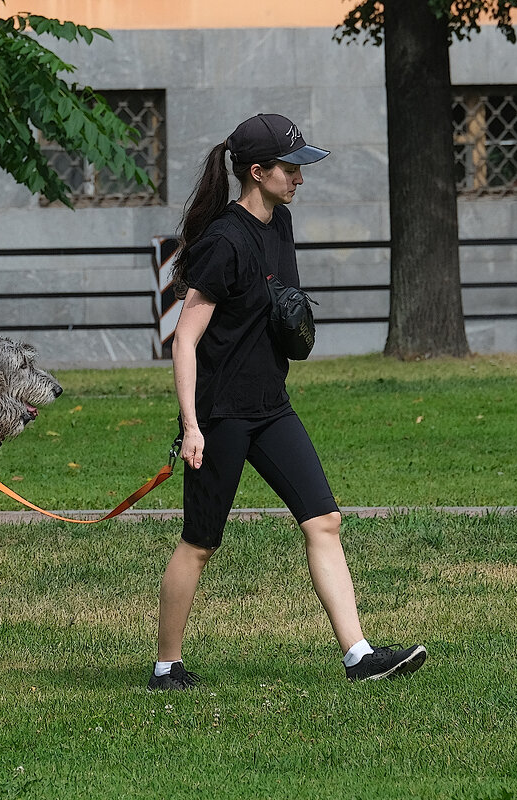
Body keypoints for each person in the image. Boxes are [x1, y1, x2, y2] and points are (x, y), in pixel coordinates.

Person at [148, 113, 426, 689]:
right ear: (257, 172)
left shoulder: (281, 223)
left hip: (271, 405)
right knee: (200, 542)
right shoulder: (224, 241)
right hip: (220, 412)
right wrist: (192, 425)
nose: (299, 177)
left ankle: (359, 655)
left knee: (324, 519)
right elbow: (185, 341)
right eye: (290, 167)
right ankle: (166, 666)